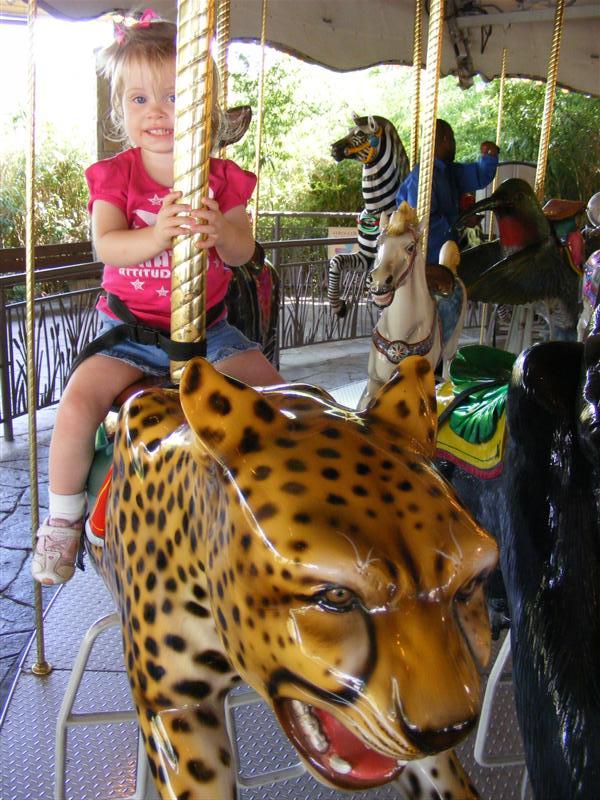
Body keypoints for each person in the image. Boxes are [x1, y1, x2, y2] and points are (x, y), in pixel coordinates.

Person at [31, 10, 283, 585]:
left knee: (278, 395)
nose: (157, 112)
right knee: (75, 408)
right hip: (129, 334)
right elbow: (107, 245)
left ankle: (277, 510)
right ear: (121, 109)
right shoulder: (116, 176)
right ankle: (64, 521)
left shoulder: (220, 177)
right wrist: (157, 234)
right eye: (139, 99)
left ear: (205, 104)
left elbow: (244, 249)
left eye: (173, 96)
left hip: (208, 331)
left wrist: (223, 232)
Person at [395, 119, 499, 263]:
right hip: (427, 258)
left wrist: (490, 157)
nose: (454, 144)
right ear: (445, 139)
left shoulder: (448, 171)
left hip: (448, 250)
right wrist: (461, 220)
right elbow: (422, 222)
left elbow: (478, 175)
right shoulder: (421, 177)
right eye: (453, 139)